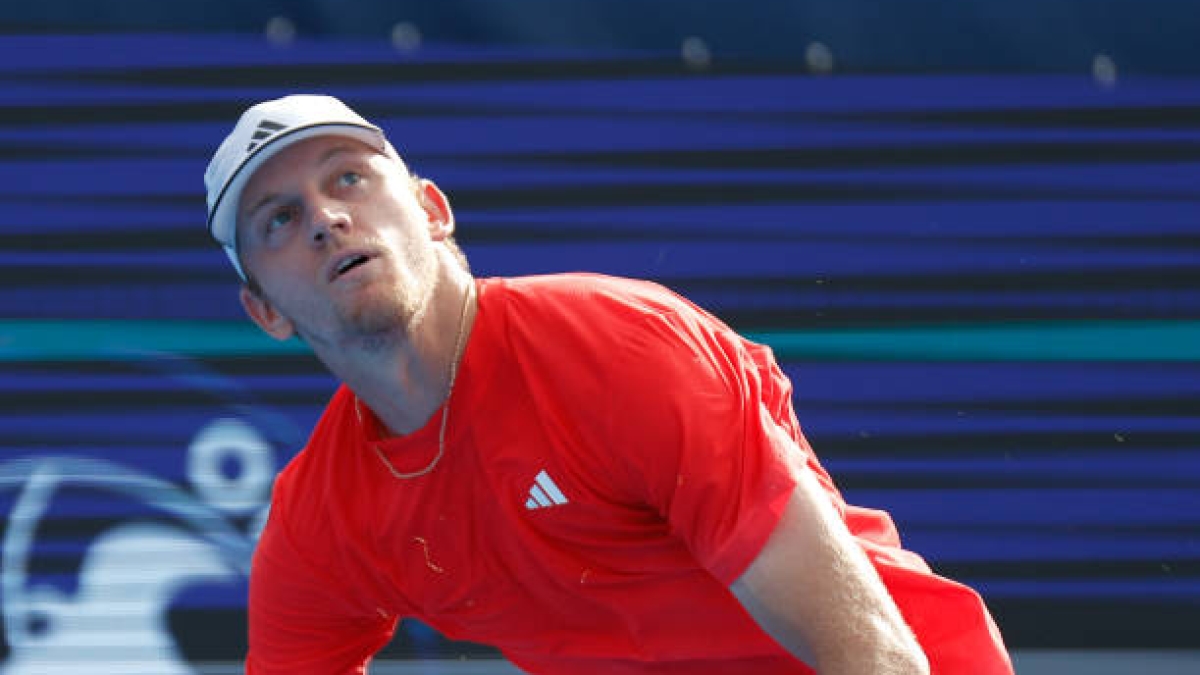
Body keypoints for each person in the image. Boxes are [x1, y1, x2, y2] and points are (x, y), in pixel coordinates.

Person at [204, 94, 1013, 675]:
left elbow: (873, 655)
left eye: (348, 178)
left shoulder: (617, 348)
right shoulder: (321, 522)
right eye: (279, 218)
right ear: (265, 311)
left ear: (433, 209)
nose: (324, 218)